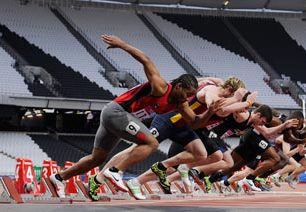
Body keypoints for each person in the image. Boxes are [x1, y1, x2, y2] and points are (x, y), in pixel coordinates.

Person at [49, 34, 201, 200]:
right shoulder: (161, 87)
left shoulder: (180, 104)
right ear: (179, 86)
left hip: (117, 118)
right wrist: (121, 45)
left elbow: (195, 121)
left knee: (97, 158)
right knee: (151, 143)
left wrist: (211, 111)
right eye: (188, 94)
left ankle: (59, 178)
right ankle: (115, 171)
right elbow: (146, 60)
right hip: (117, 112)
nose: (188, 98)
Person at [101, 77, 245, 199]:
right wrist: (243, 101)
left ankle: (159, 168)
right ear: (230, 90)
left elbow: (200, 81)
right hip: (168, 120)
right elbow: (216, 106)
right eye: (231, 97)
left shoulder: (214, 83)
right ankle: (100, 177)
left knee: (200, 153)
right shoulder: (212, 91)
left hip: (183, 126)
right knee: (136, 149)